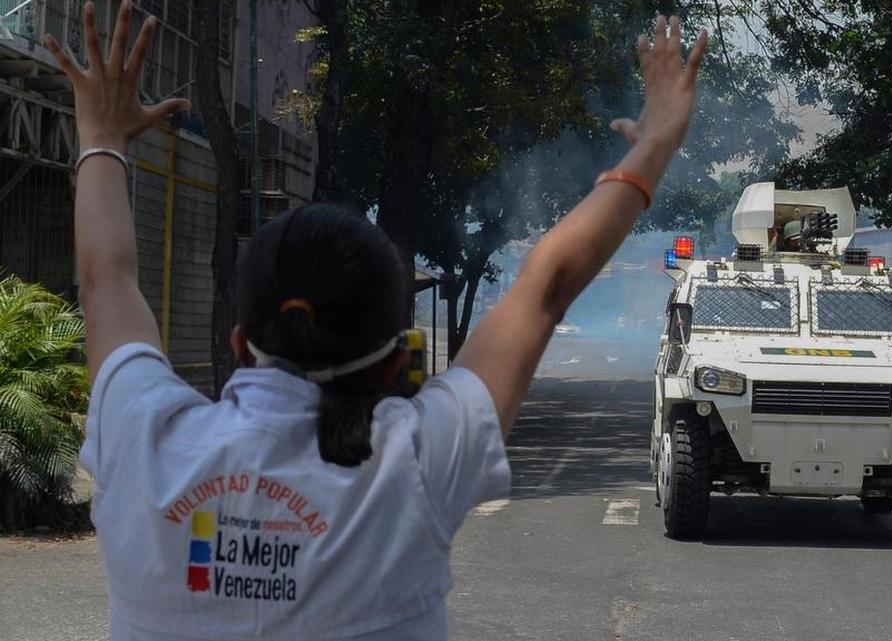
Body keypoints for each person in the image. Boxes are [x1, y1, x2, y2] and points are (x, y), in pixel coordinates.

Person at [47, 1, 707, 639]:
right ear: (395, 363)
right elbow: (545, 286)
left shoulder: (147, 442)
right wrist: (654, 145)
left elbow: (105, 279)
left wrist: (100, 138)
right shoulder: (409, 465)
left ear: (241, 344)